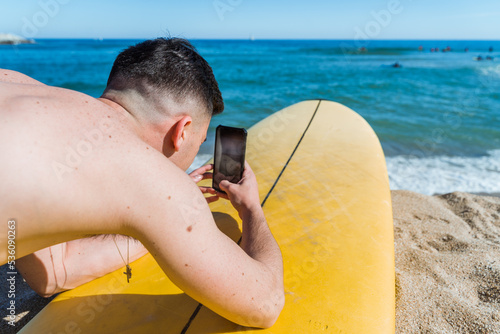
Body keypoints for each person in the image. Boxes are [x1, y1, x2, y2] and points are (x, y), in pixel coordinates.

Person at [0, 37, 284, 328]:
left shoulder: (22, 84)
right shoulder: (151, 179)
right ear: (182, 131)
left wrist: (155, 227)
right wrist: (252, 211)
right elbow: (265, 305)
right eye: (199, 141)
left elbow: (54, 270)